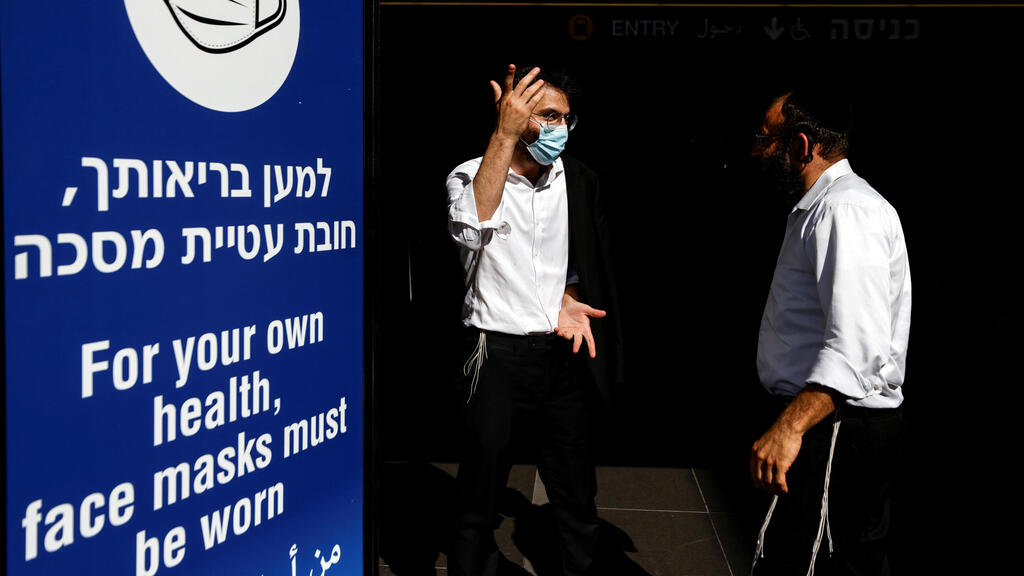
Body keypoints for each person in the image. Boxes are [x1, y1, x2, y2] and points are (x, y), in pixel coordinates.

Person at [445, 64, 622, 576]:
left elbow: (581, 255)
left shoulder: (578, 179)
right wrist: (502, 136)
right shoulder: (469, 174)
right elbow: (469, 230)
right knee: (479, 494)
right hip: (495, 355)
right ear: (516, 115)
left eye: (566, 118)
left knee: (576, 492)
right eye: (547, 116)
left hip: (560, 355)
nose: (560, 128)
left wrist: (568, 295)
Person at [748, 90, 911, 576]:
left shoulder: (846, 210)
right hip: (826, 422)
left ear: (800, 145)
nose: (757, 151)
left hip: (838, 427)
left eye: (766, 139)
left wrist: (790, 427)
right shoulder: (824, 206)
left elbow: (855, 347)